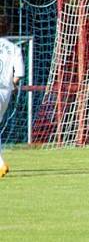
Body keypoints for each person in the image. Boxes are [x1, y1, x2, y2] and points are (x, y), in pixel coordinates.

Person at [0, 14, 24, 178]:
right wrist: (12, 83)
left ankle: (1, 164)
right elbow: (19, 74)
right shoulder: (15, 48)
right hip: (4, 92)